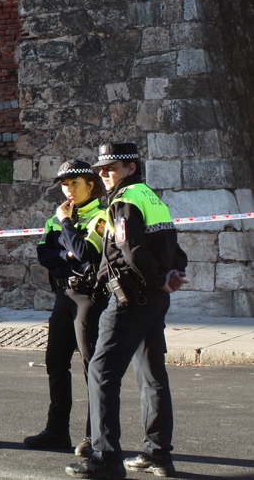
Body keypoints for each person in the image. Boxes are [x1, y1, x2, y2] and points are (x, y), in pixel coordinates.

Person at [66, 143, 188, 480]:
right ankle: (158, 454)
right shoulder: (152, 198)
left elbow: (130, 249)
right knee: (151, 376)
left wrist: (159, 279)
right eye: (101, 169)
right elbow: (173, 245)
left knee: (101, 372)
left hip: (129, 299)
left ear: (131, 168)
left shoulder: (124, 201)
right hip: (153, 299)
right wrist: (171, 274)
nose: (104, 174)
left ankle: (106, 458)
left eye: (112, 168)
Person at [23, 160, 109, 458]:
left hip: (89, 297)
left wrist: (68, 230)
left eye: (74, 183)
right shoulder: (57, 217)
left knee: (92, 368)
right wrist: (68, 252)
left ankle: (93, 435)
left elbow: (87, 255)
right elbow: (45, 254)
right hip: (63, 295)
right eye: (63, 184)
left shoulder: (101, 215)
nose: (68, 189)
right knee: (55, 362)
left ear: (91, 185)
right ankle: (57, 431)